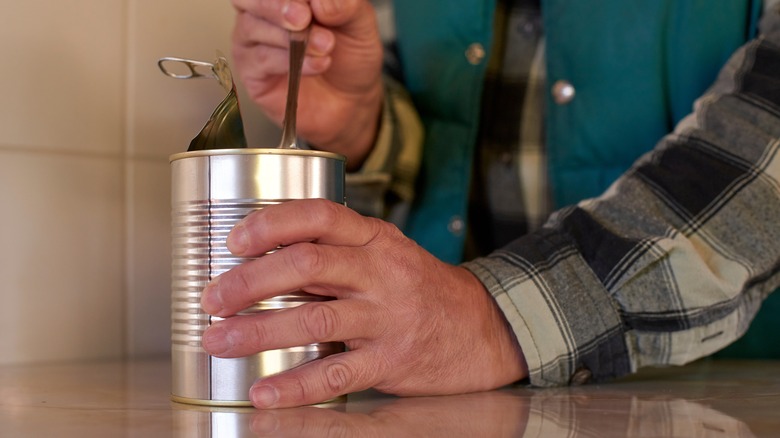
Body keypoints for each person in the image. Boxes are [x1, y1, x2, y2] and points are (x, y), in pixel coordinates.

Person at [201, 0, 780, 408]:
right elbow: (440, 132)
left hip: (717, 395)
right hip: (434, 399)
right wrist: (362, 124)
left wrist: (492, 316)